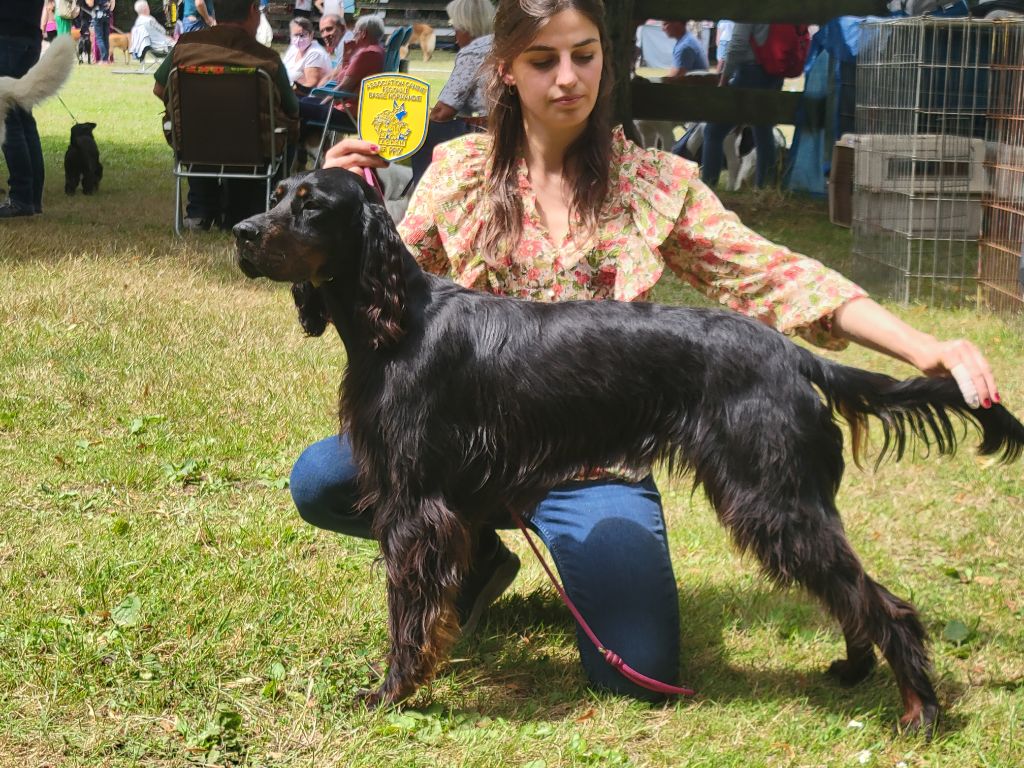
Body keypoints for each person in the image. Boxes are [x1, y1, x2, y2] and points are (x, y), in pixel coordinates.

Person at [305, 0, 1000, 701]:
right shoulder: (457, 172)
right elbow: (392, 287)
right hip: (479, 453)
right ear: (506, 70)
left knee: (637, 671)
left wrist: (919, 345)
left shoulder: (653, 183)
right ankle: (475, 556)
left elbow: (774, 274)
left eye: (585, 54)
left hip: (599, 464)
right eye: (544, 60)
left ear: (607, 60)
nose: (568, 77)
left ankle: (881, 634)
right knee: (326, 476)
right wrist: (334, 210)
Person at [152, 0, 299, 229]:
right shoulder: (267, 60)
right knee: (286, 130)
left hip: (195, 142)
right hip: (253, 148)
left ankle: (200, 209)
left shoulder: (185, 47)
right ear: (252, 9)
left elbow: (159, 89)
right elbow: (293, 109)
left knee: (203, 130)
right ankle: (250, 209)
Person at [409, 0, 495, 189]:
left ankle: (425, 193)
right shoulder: (499, 44)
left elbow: (443, 111)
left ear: (467, 27)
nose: (455, 35)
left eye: (455, 27)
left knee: (424, 131)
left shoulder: (474, 52)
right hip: (505, 125)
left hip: (484, 130)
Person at [700, 23, 781, 189]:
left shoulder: (748, 7)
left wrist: (724, 78)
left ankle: (708, 187)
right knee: (763, 132)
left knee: (713, 131)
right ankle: (765, 188)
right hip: (774, 71)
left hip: (750, 71)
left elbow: (738, 43)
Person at [1, 0, 46, 219]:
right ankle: (32, 198)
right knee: (23, 115)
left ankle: (21, 197)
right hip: (30, 35)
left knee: (8, 116)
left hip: (6, 35)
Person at [283, 16, 331, 94]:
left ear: (311, 35)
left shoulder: (315, 53)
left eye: (302, 35)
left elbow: (310, 85)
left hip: (305, 98)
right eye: (295, 35)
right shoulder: (294, 48)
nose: (298, 39)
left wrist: (285, 93)